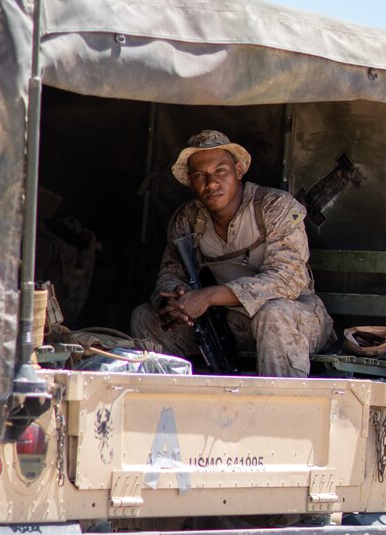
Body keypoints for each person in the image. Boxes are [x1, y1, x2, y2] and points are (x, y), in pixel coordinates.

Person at [130, 130, 334, 377]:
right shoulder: (187, 218)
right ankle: (172, 410)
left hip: (296, 317)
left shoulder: (275, 206)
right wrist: (174, 302)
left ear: (238, 171)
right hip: (228, 323)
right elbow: (170, 272)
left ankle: (280, 409)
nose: (211, 183)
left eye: (220, 171)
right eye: (200, 175)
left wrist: (207, 297)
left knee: (274, 314)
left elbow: (286, 281)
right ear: (190, 182)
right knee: (144, 318)